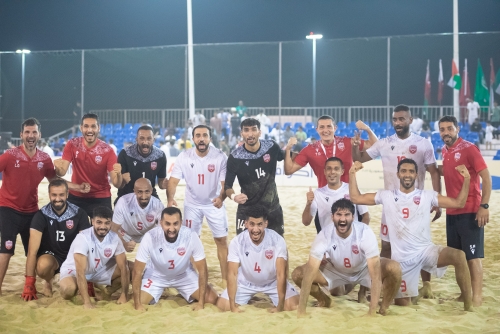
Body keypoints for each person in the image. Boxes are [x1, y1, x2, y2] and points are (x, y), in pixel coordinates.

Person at [349, 159, 473, 311]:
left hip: (426, 251)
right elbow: (356, 198)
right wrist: (352, 174)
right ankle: (419, 293)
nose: (407, 174)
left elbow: (458, 203)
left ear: (416, 175)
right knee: (404, 304)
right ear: (398, 174)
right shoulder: (386, 195)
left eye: (411, 171)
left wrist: (467, 179)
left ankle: (468, 307)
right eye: (404, 171)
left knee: (459, 256)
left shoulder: (427, 195)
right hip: (403, 260)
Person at [351, 104, 442, 297]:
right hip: (391, 202)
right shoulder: (384, 143)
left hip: (417, 203)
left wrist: (437, 199)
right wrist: (354, 147)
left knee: (422, 244)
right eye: (395, 119)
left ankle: (426, 285)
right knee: (386, 245)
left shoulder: (423, 143)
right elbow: (359, 158)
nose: (398, 123)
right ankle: (384, 282)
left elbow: (434, 172)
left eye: (402, 119)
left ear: (410, 120)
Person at [294, 199, 402, 317]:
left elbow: (375, 276)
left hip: (363, 270)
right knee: (298, 274)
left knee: (394, 268)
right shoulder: (324, 235)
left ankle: (384, 308)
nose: (342, 219)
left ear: (353, 217)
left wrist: (371, 312)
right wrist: (301, 310)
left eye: (347, 215)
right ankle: (324, 300)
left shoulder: (364, 232)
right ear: (332, 217)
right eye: (339, 214)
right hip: (336, 270)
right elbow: (310, 272)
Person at [0, 118, 58, 295]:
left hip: (32, 211)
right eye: (27, 132)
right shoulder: (10, 155)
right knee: (6, 250)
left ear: (39, 135)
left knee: (36, 251)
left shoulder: (45, 158)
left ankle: (45, 283)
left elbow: (55, 182)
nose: (31, 135)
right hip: (8, 208)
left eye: (34, 132)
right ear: (21, 135)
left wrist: (77, 187)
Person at [438, 115, 491, 307]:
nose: (446, 132)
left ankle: (476, 297)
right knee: (459, 257)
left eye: (449, 128)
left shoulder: (469, 148)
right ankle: (465, 294)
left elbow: (486, 177)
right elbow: (449, 171)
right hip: (452, 212)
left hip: (470, 210)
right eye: (442, 129)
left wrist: (484, 206)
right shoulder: (444, 151)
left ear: (457, 129)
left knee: (473, 256)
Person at [168, 125, 229, 286]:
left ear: (210, 138)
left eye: (205, 135)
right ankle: (194, 277)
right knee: (191, 240)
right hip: (192, 205)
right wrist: (170, 199)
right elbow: (173, 181)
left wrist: (221, 197)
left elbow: (225, 183)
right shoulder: (184, 157)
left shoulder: (220, 157)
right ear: (193, 138)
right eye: (198, 135)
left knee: (221, 240)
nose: (201, 139)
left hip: (214, 204)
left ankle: (224, 278)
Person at [132, 207, 218, 311]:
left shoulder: (191, 236)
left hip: (183, 275)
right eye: (167, 224)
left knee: (212, 299)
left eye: (175, 224)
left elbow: (202, 269)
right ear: (161, 223)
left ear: (181, 223)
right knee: (140, 301)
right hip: (156, 275)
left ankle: (197, 290)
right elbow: (137, 270)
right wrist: (137, 305)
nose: (172, 229)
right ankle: (162, 289)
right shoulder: (150, 237)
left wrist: (201, 304)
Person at [216, 206, 299, 312]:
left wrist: (280, 306)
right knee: (223, 306)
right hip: (246, 282)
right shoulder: (236, 242)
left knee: (292, 307)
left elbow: (281, 274)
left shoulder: (278, 241)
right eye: (252, 224)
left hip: (272, 282)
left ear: (266, 224)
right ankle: (246, 298)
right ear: (246, 224)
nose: (255, 229)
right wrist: (232, 307)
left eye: (259, 224)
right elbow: (232, 274)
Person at [22, 179, 90, 300]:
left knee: (69, 291)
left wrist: (88, 281)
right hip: (52, 256)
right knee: (42, 266)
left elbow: (87, 248)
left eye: (61, 195)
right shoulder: (41, 215)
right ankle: (49, 281)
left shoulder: (79, 213)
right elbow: (32, 251)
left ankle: (71, 279)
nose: (57, 198)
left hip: (72, 257)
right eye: (54, 195)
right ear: (49, 195)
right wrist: (29, 283)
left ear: (67, 194)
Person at [59, 206, 129, 309]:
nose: (103, 226)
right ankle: (62, 281)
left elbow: (124, 267)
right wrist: (87, 302)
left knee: (131, 269)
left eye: (107, 223)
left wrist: (124, 295)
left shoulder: (114, 238)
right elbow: (80, 272)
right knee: (68, 290)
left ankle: (106, 292)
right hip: (74, 270)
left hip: (97, 270)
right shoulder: (83, 238)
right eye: (99, 222)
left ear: (111, 223)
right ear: (92, 221)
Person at [54, 113, 122, 217]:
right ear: (81, 128)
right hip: (76, 195)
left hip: (100, 197)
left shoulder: (108, 151)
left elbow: (116, 184)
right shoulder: (72, 145)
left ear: (98, 128)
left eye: (93, 126)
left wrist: (119, 174)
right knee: (69, 230)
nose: (89, 130)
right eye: (86, 126)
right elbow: (62, 172)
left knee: (104, 231)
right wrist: (58, 168)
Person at [225, 118, 286, 236]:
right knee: (242, 247)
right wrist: (234, 196)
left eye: (254, 129)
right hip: (247, 210)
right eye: (246, 130)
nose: (250, 134)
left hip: (272, 209)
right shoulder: (235, 157)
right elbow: (227, 186)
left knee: (279, 246)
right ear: (242, 133)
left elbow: (288, 156)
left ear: (260, 132)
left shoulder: (271, 147)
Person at [285, 116, 377, 188]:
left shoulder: (348, 142)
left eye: (329, 126)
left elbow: (376, 145)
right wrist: (288, 148)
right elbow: (289, 170)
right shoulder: (309, 150)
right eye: (322, 127)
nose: (325, 130)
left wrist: (368, 129)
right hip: (324, 198)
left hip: (348, 197)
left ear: (335, 128)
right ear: (317, 129)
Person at [302, 157, 369, 232]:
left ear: (342, 172)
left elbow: (365, 215)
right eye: (329, 169)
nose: (332, 172)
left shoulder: (351, 189)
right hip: (328, 240)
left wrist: (360, 234)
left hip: (350, 240)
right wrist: (308, 204)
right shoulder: (318, 193)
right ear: (325, 172)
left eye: (336, 169)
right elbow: (306, 222)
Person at [116, 125, 167, 204]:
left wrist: (164, 184)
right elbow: (120, 185)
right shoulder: (125, 154)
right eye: (142, 138)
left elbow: (161, 183)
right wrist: (123, 180)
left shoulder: (160, 156)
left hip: (149, 195)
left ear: (153, 140)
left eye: (149, 138)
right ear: (136, 139)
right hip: (127, 194)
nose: (145, 142)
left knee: (160, 211)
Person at [112, 178, 164, 253]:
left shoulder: (158, 205)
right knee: (110, 243)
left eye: (147, 192)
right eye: (140, 192)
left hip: (148, 235)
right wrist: (123, 243)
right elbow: (114, 229)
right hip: (125, 234)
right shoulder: (123, 202)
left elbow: (161, 231)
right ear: (134, 192)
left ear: (151, 191)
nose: (143, 196)